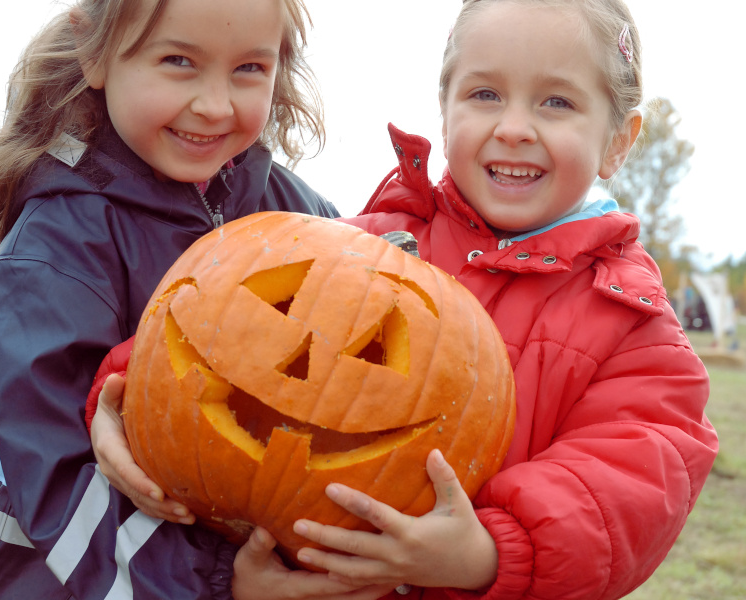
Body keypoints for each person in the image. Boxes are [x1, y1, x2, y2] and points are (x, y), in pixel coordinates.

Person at [86, 0, 719, 598]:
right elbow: (214, 328)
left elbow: (634, 483)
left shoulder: (632, 327)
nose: (514, 127)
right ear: (444, 113)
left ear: (618, 139)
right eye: (485, 94)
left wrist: (487, 552)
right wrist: (119, 396)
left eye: (557, 102)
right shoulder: (353, 245)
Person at [0, 0, 397, 598]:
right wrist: (217, 588)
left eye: (249, 69)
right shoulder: (60, 243)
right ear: (95, 53)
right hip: (41, 574)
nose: (216, 105)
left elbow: (383, 301)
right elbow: (56, 474)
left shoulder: (291, 207)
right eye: (178, 60)